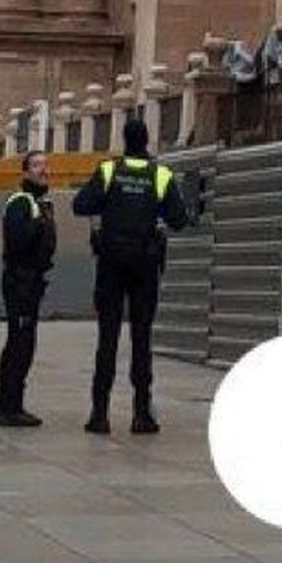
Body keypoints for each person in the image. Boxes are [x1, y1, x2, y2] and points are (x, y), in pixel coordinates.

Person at [72, 114, 187, 436]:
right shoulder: (160, 175)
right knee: (142, 338)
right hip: (145, 265)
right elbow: (179, 219)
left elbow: (81, 205)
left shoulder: (109, 170)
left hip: (111, 262)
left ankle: (100, 414)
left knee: (107, 338)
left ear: (124, 139)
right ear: (147, 140)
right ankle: (141, 414)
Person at [0, 148, 56, 429]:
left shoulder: (41, 203)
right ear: (26, 171)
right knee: (18, 343)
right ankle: (7, 407)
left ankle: (15, 404)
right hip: (20, 281)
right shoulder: (21, 202)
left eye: (45, 165)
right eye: (37, 165)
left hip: (33, 282)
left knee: (26, 343)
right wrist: (39, 225)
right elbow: (18, 242)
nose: (44, 170)